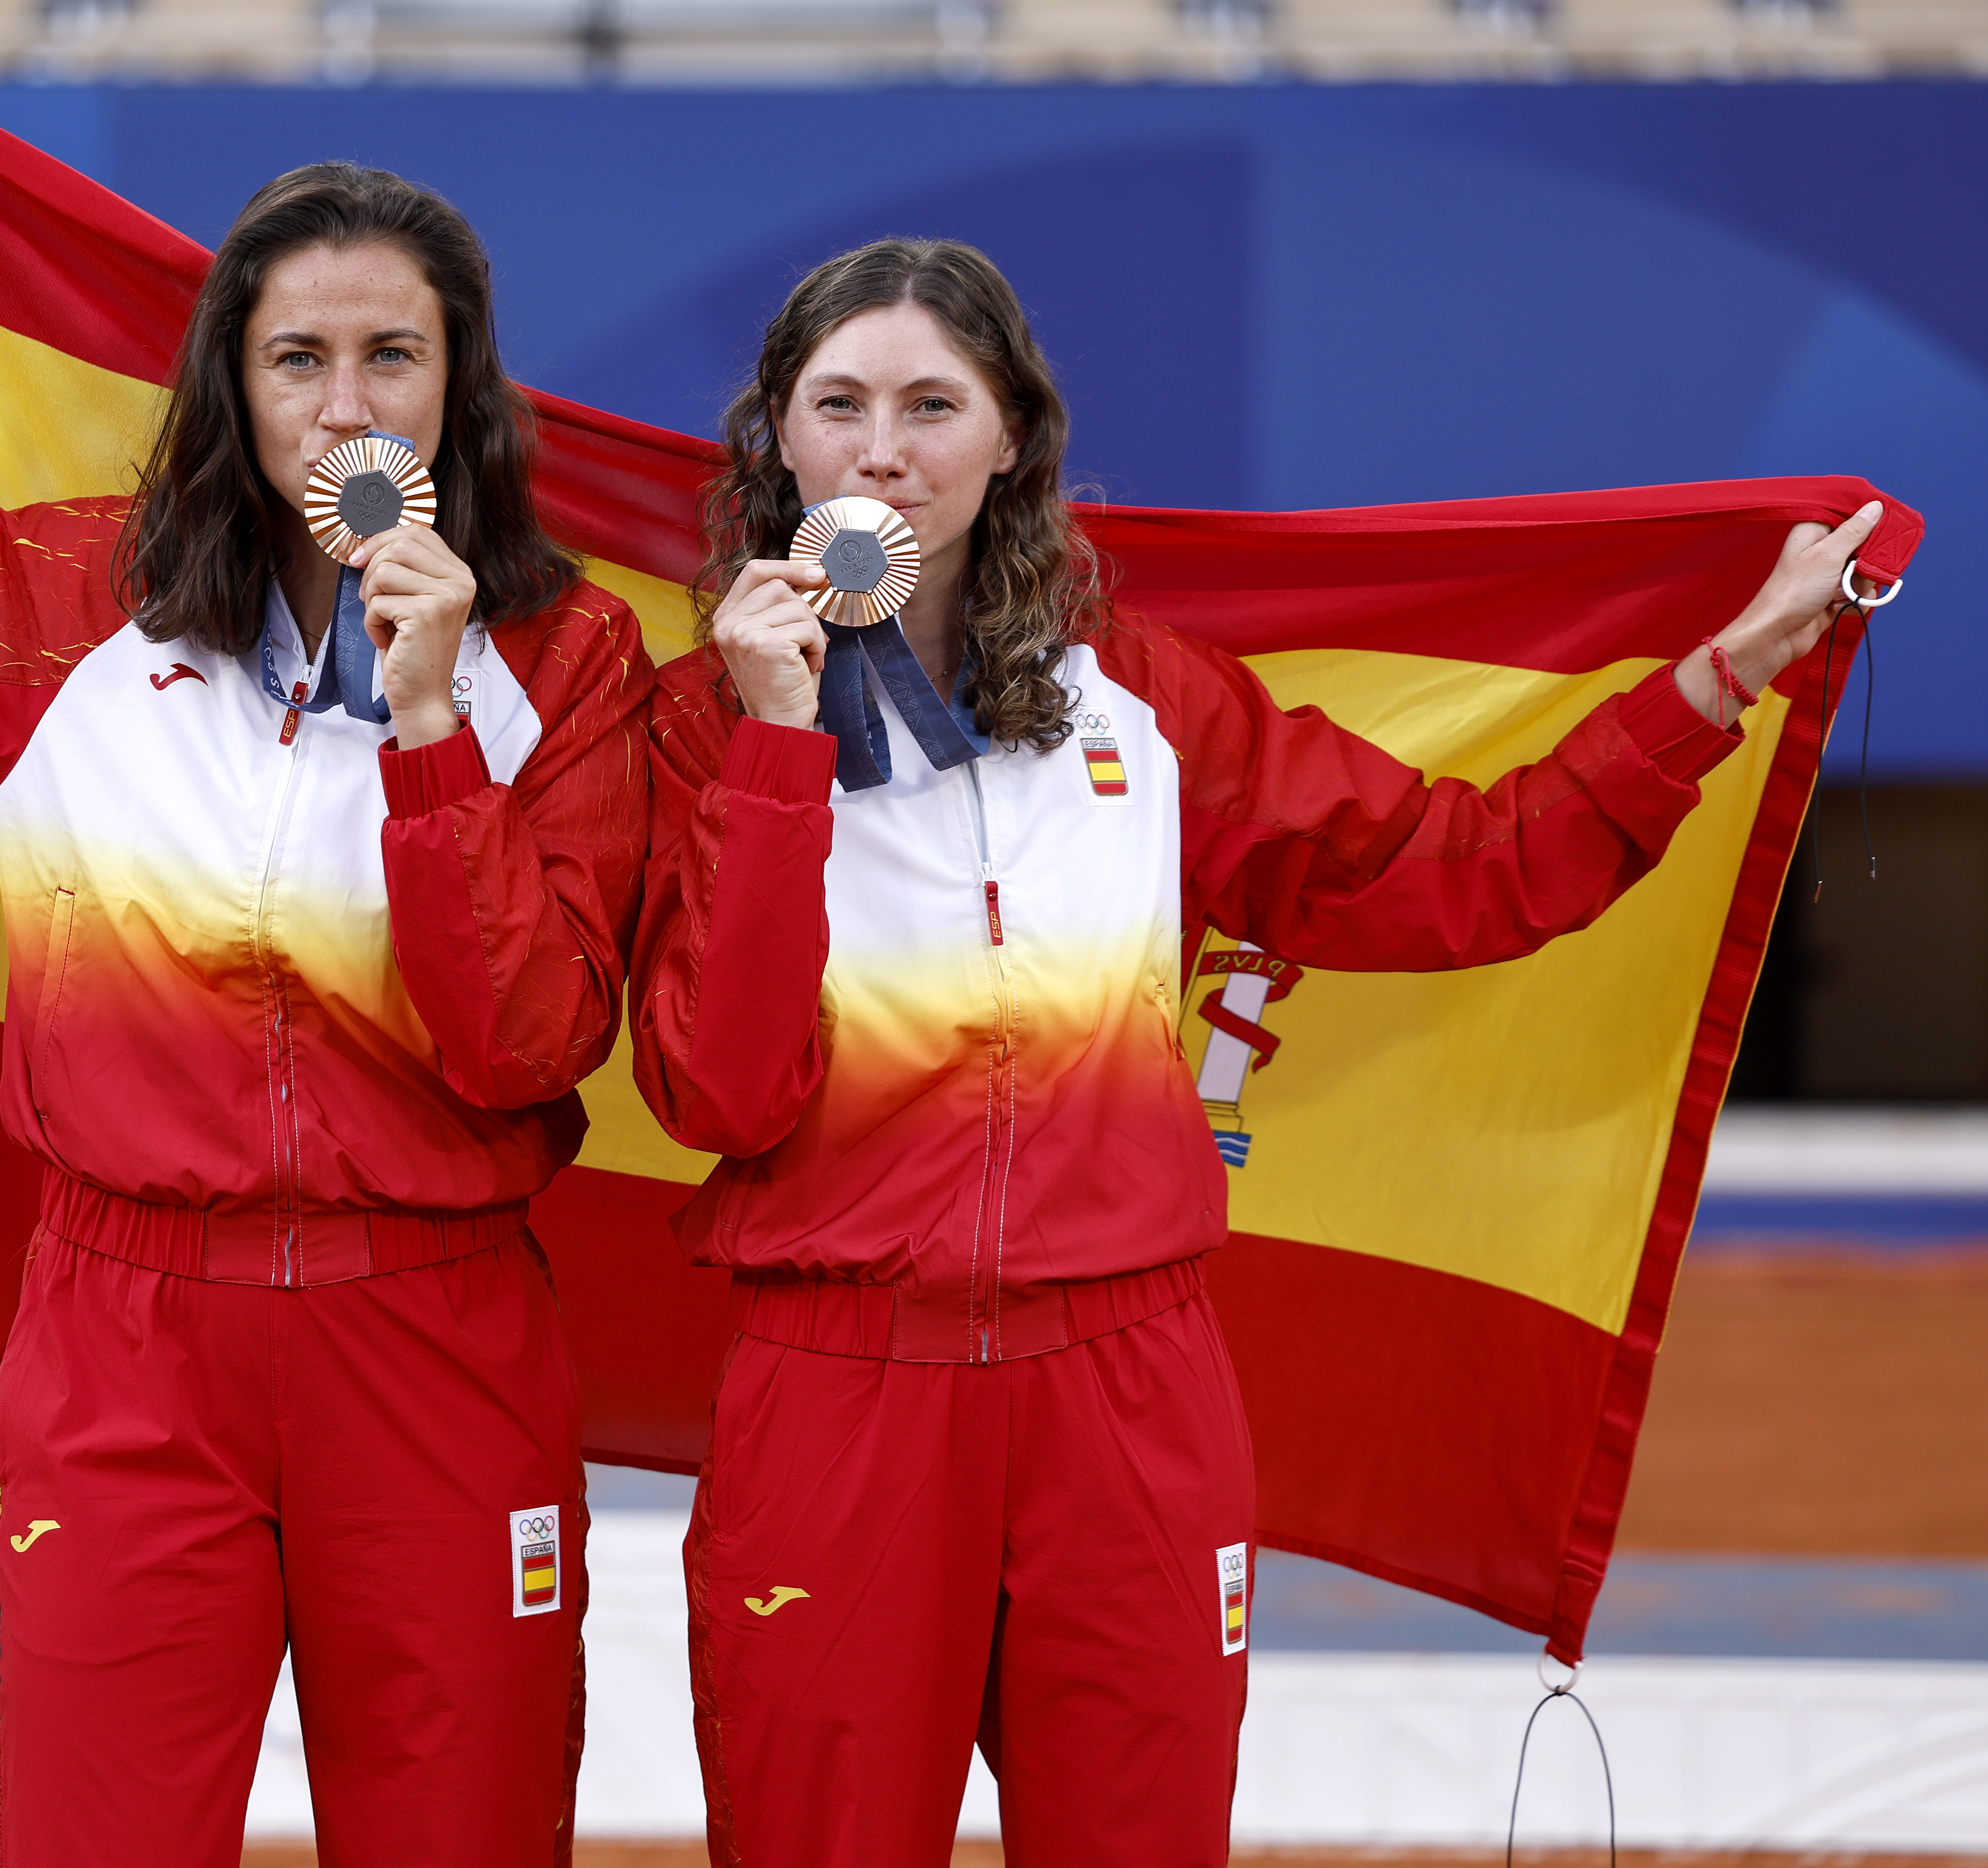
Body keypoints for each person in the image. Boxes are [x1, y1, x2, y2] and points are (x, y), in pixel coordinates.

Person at [630, 237, 1879, 1868]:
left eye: (933, 403)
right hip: (840, 1393)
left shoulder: (1142, 705)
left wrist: (1720, 679)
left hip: (1127, 1397)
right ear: (777, 439)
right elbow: (719, 1092)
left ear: (1012, 438)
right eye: (841, 403)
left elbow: (1462, 871)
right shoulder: (691, 727)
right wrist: (777, 753)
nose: (883, 448)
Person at [0, 41, 653, 1868]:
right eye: (300, 360)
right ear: (233, 391)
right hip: (128, 1338)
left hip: (435, 1335)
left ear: (461, 388)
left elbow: (527, 1042)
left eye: (393, 358)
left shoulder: (563, 674)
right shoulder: (59, 619)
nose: (351, 409)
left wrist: (431, 729)